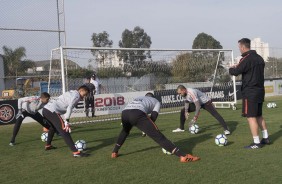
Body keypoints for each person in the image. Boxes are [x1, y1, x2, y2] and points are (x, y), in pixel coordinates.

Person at [111, 92, 200, 163]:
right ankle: (183, 156)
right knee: (158, 136)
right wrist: (146, 129)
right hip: (137, 113)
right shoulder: (156, 101)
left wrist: (144, 128)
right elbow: (153, 116)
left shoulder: (139, 98)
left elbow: (132, 110)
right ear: (153, 97)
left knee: (125, 131)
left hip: (124, 113)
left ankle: (114, 152)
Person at [229, 38, 269, 149]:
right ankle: (266, 138)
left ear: (242, 47)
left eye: (239, 48)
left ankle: (256, 143)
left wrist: (231, 68)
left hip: (250, 92)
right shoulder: (260, 58)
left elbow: (236, 72)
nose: (239, 50)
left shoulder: (246, 59)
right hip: (260, 90)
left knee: (251, 117)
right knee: (259, 115)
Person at [42, 85, 90, 157]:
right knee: (64, 130)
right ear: (81, 90)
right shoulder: (77, 96)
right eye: (85, 94)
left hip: (45, 110)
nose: (84, 97)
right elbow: (69, 107)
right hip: (51, 110)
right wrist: (66, 121)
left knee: (53, 128)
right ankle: (76, 152)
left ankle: (48, 145)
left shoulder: (73, 92)